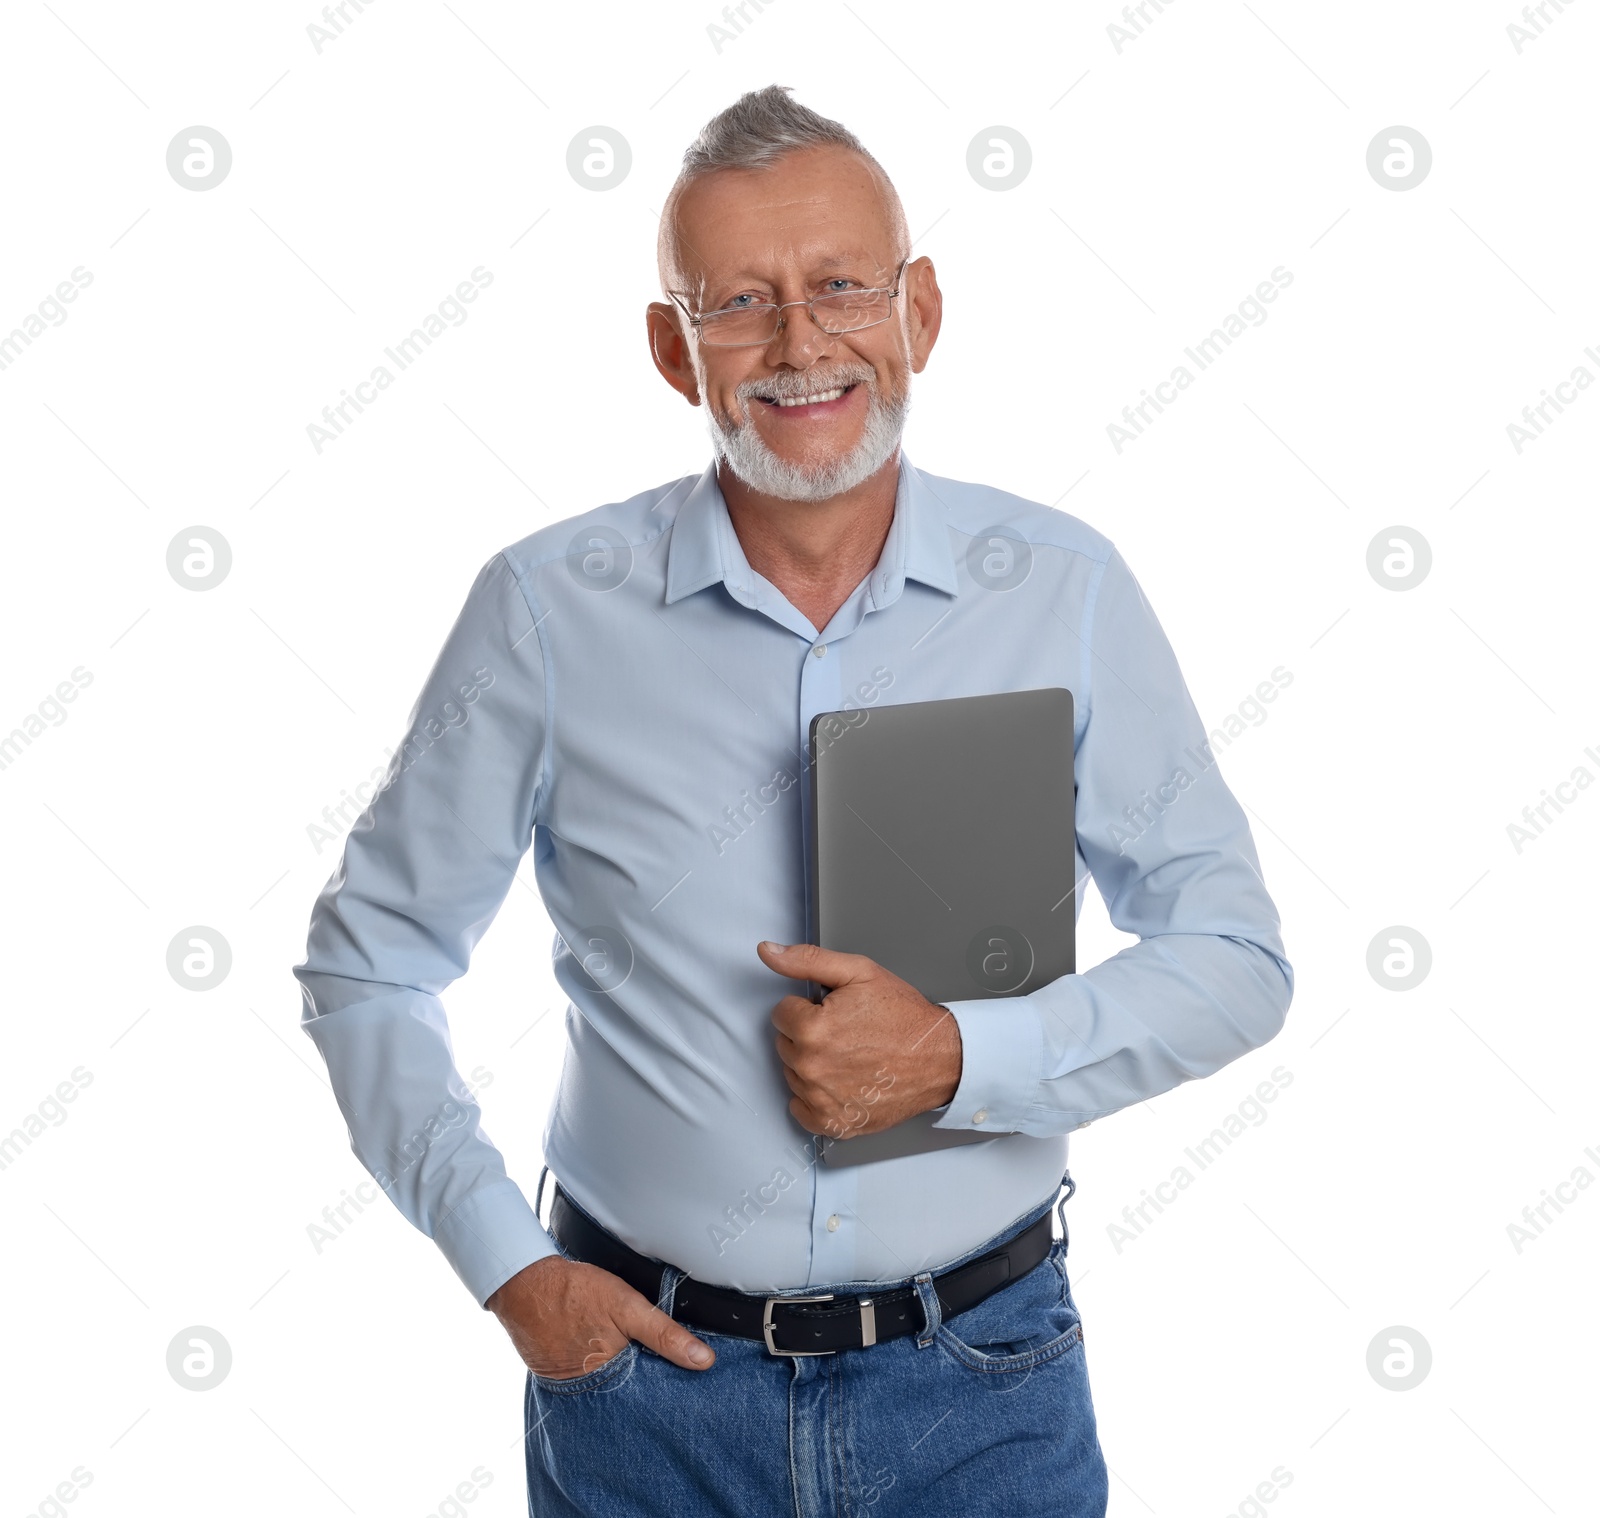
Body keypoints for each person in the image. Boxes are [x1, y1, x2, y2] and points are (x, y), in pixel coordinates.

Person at [293, 84, 1293, 1518]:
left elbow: (1237, 961)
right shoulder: (545, 611)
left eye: (839, 286)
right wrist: (510, 1271)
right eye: (740, 303)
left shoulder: (1065, 592)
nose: (801, 342)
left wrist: (963, 1055)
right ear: (669, 347)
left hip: (986, 1387)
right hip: (644, 1391)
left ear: (921, 312)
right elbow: (369, 961)